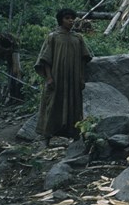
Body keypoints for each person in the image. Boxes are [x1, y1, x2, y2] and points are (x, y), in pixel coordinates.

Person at [35, 8, 93, 147]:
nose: (71, 21)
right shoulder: (53, 37)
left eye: (72, 18)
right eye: (67, 18)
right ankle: (46, 138)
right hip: (56, 78)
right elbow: (45, 60)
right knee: (52, 105)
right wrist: (49, 78)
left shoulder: (78, 38)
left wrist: (81, 77)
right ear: (61, 20)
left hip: (73, 80)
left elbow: (84, 60)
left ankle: (75, 137)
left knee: (74, 106)